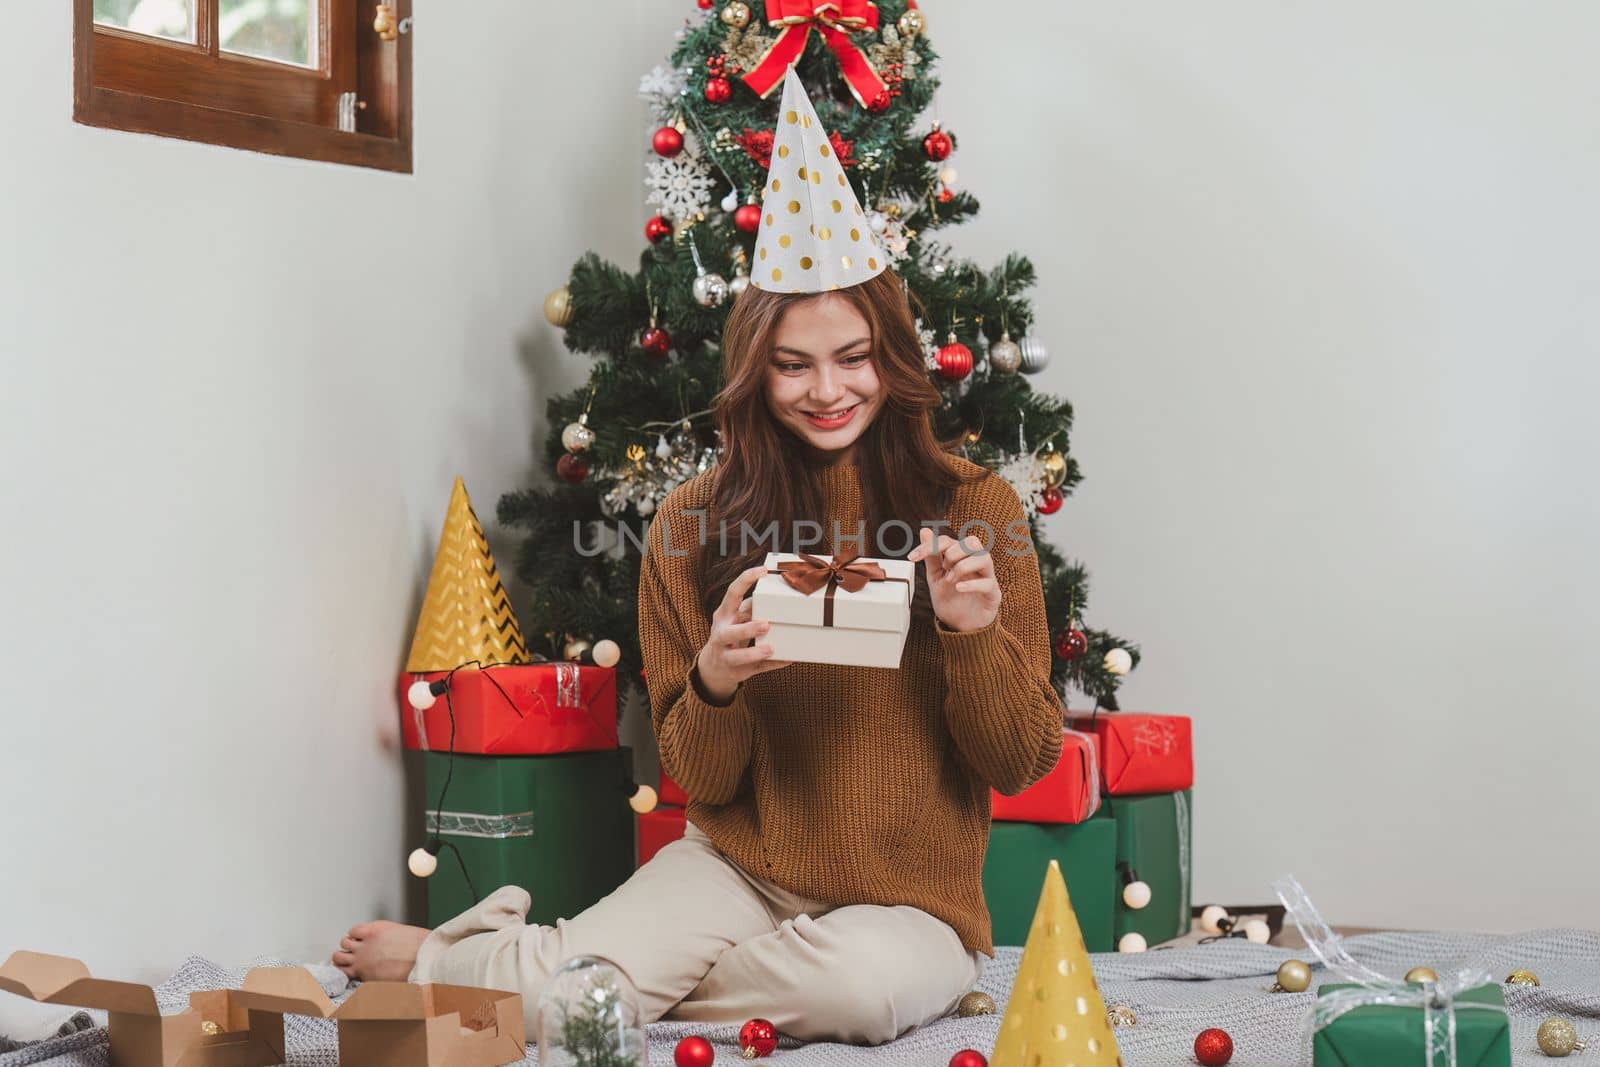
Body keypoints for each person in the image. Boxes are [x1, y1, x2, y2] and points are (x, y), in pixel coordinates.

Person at [333, 69, 1063, 1047]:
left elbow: (1021, 761)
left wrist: (974, 637)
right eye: (792, 364)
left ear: (890, 358)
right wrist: (715, 679)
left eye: (851, 358)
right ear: (753, 373)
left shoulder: (975, 507)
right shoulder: (692, 521)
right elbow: (694, 771)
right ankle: (491, 962)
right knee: (570, 1011)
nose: (826, 391)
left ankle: (503, 965)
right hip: (734, 866)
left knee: (856, 994)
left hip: (910, 904)